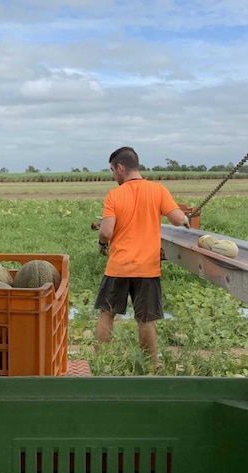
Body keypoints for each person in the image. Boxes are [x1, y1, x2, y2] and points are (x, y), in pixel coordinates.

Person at [95, 146, 190, 369]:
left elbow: (106, 231)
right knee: (146, 319)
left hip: (118, 266)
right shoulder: (158, 190)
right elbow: (178, 219)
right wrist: (186, 219)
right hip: (148, 268)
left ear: (120, 168)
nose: (113, 175)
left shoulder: (114, 195)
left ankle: (101, 360)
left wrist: (101, 244)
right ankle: (151, 363)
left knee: (107, 313)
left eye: (112, 170)